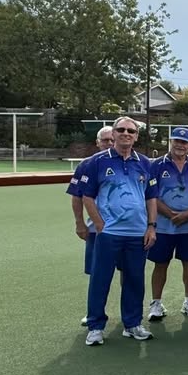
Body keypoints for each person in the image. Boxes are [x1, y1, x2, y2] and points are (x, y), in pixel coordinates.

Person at [80, 116, 158, 346]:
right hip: (109, 234)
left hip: (137, 234)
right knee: (100, 280)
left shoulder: (145, 163)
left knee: (135, 280)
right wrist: (100, 225)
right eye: (121, 130)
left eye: (131, 131)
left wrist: (151, 227)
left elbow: (151, 197)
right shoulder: (97, 162)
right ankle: (95, 326)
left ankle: (132, 324)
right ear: (113, 134)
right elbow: (87, 196)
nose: (126, 134)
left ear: (136, 136)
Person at [148, 127, 188, 322]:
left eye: (184, 142)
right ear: (170, 142)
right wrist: (171, 214)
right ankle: (156, 303)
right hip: (164, 225)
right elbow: (150, 195)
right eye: (176, 141)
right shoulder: (156, 165)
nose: (180, 145)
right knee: (160, 264)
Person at [66, 125, 113, 326]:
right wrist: (79, 223)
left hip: (127, 230)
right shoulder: (87, 165)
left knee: (128, 273)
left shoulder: (131, 162)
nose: (109, 144)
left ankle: (129, 314)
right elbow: (77, 197)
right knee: (97, 273)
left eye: (112, 140)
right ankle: (94, 312)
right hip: (97, 230)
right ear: (97, 142)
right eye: (105, 140)